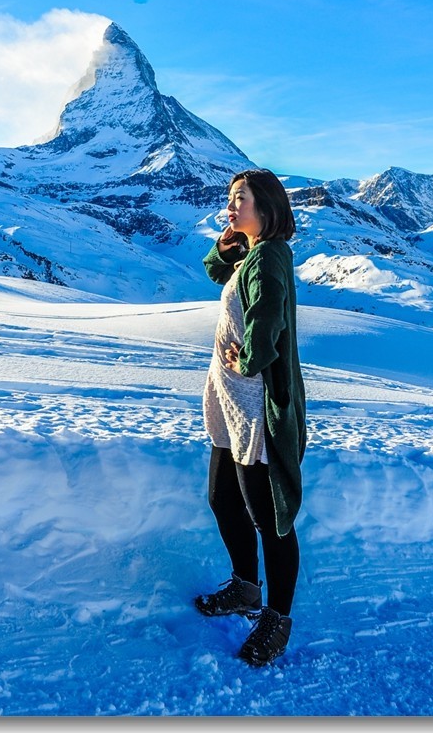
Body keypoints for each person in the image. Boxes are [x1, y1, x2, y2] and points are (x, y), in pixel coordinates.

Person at [194, 168, 306, 666]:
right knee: (222, 497)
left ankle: (277, 620)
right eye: (230, 199)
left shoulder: (269, 257)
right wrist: (225, 245)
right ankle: (244, 588)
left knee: (271, 519)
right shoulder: (252, 252)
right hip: (231, 400)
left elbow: (269, 317)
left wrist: (250, 357)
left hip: (257, 404)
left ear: (267, 207)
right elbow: (218, 273)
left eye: (240, 200)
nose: (231, 206)